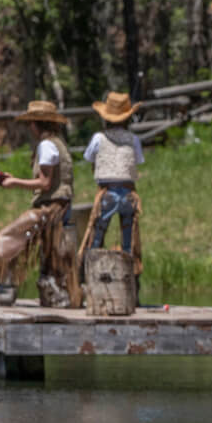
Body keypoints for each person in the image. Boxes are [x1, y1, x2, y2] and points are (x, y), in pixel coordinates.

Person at [0, 100, 78, 307]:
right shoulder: (57, 142)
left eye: (30, 123)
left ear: (35, 124)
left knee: (3, 239)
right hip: (58, 208)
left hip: (49, 210)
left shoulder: (46, 145)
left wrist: (14, 182)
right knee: (17, 242)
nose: (29, 128)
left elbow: (45, 182)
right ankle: (5, 290)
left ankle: (4, 292)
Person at [76, 91, 145, 283]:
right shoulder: (134, 139)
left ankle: (90, 280)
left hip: (107, 193)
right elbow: (137, 160)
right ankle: (132, 283)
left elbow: (88, 157)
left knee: (96, 238)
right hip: (128, 193)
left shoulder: (99, 138)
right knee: (129, 242)